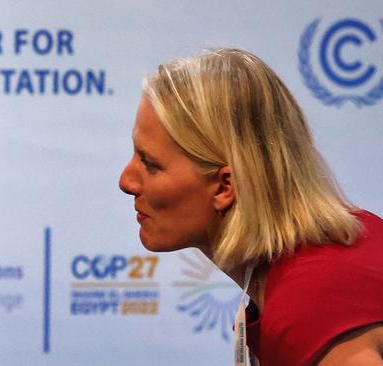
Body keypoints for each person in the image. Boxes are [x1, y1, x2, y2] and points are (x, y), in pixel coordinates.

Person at [119, 48, 383, 366]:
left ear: (225, 187)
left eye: (151, 163)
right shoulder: (351, 240)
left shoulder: (310, 303)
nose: (126, 181)